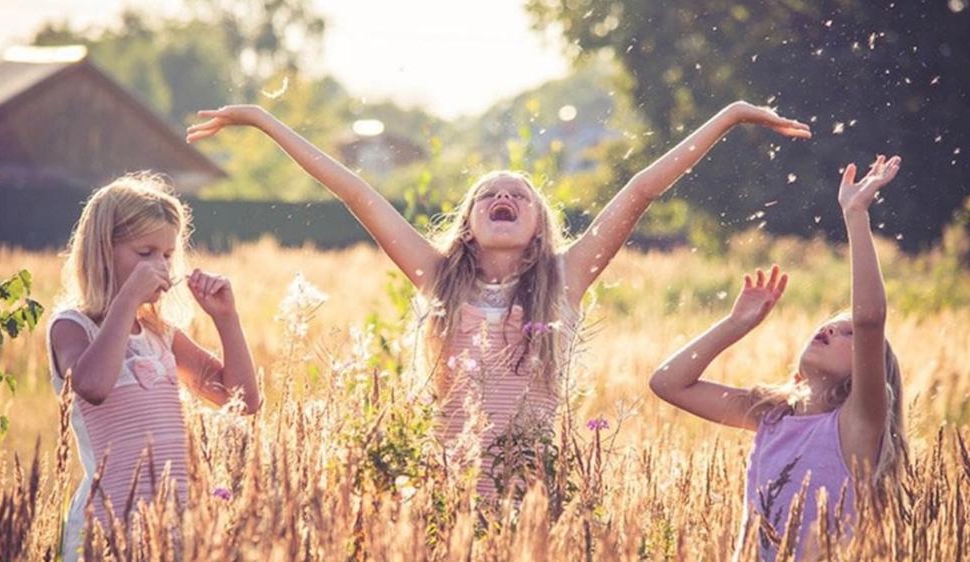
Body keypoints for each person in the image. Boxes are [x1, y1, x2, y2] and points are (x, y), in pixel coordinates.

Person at [186, 101, 810, 500]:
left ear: (537, 225)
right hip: (443, 482)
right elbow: (353, 191)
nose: (502, 197)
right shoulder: (436, 278)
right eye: (487, 195)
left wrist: (727, 115)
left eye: (517, 194)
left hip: (532, 488)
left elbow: (642, 189)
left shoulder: (564, 283)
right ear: (468, 225)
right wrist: (263, 121)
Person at [649, 155, 906, 560]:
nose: (831, 329)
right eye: (830, 323)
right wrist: (736, 324)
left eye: (847, 333)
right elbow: (667, 383)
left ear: (867, 371)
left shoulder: (858, 424)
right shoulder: (771, 416)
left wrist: (855, 214)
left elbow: (871, 320)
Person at [47, 172, 260, 561]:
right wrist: (127, 298)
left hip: (170, 528)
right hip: (107, 528)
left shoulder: (161, 335)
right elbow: (93, 385)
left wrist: (227, 319)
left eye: (166, 255)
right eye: (144, 253)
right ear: (101, 251)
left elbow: (241, 400)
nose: (158, 266)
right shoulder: (71, 327)